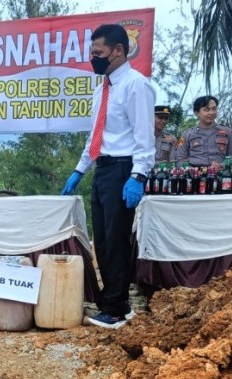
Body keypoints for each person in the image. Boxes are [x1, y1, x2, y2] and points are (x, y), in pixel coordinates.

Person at [60, 24, 155, 329]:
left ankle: (114, 309)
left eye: (98, 52)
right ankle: (118, 302)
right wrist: (78, 171)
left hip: (124, 170)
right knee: (102, 239)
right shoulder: (102, 89)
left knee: (116, 240)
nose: (93, 57)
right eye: (91, 52)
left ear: (118, 50)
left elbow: (144, 137)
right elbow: (96, 137)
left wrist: (138, 176)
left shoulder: (135, 85)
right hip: (103, 169)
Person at [175, 95, 232, 169]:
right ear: (197, 113)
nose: (211, 113)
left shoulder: (227, 132)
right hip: (194, 176)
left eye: (214, 109)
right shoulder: (187, 135)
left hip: (220, 175)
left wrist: (222, 166)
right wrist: (190, 171)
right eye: (206, 110)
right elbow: (180, 158)